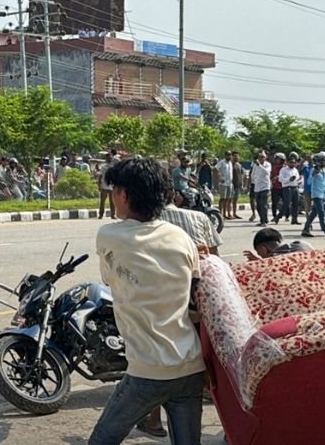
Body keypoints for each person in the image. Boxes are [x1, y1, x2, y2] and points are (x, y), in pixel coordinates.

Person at [92, 159, 206, 445]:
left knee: (101, 441)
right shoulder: (181, 238)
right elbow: (193, 287)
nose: (113, 195)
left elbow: (109, 280)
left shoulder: (110, 235)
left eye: (115, 189)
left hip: (148, 371)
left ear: (125, 195)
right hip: (190, 365)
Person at [137, 189, 223, 437]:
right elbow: (215, 260)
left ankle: (154, 420)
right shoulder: (200, 218)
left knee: (162, 362)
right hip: (202, 299)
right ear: (174, 196)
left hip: (166, 303)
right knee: (205, 364)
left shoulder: (146, 224)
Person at [302, 155, 325, 239]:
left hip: (322, 194)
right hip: (316, 195)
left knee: (313, 213)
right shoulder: (313, 169)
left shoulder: (323, 170)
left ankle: (306, 229)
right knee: (321, 213)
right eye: (324, 161)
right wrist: (313, 175)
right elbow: (308, 182)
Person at [243, 227, 313, 261]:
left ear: (263, 249)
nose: (260, 256)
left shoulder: (278, 259)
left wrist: (259, 261)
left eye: (259, 253)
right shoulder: (304, 244)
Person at [250, 152, 273, 226]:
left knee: (263, 204)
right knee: (258, 205)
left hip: (265, 186)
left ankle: (265, 220)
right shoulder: (255, 165)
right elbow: (253, 174)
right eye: (260, 157)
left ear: (265, 158)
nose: (261, 158)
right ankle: (261, 220)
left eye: (263, 157)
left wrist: (259, 165)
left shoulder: (268, 165)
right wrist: (253, 182)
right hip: (257, 187)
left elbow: (266, 172)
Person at [279, 154, 302, 225]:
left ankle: (294, 219)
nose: (292, 164)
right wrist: (289, 179)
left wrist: (299, 181)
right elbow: (280, 179)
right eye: (291, 162)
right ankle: (279, 216)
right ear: (288, 162)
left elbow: (297, 178)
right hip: (287, 188)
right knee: (287, 203)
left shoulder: (295, 170)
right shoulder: (283, 169)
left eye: (294, 162)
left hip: (295, 187)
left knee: (296, 204)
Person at [215, 151, 236, 221]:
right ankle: (220, 214)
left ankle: (225, 214)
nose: (229, 156)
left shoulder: (230, 162)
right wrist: (219, 179)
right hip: (223, 184)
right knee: (222, 199)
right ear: (225, 155)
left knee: (228, 199)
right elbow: (215, 169)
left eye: (230, 155)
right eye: (228, 155)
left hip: (229, 183)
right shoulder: (221, 162)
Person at [97, 151, 116, 219]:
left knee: (112, 201)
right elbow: (100, 176)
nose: (110, 159)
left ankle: (113, 214)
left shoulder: (114, 166)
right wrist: (99, 185)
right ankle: (101, 214)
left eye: (111, 158)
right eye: (108, 158)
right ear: (106, 158)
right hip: (104, 185)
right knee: (102, 202)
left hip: (111, 186)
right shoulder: (103, 166)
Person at [270, 152, 285, 222]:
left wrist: (279, 177)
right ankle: (274, 216)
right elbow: (271, 176)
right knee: (274, 203)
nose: (277, 160)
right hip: (275, 187)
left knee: (286, 203)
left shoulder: (285, 168)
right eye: (276, 159)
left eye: (278, 159)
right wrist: (272, 179)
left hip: (284, 187)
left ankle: (285, 215)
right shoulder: (274, 167)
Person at [230, 152, 246, 220]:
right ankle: (229, 214)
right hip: (231, 185)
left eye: (237, 156)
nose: (236, 158)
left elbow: (242, 175)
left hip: (238, 185)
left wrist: (242, 184)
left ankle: (234, 213)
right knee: (230, 200)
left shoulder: (239, 165)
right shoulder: (230, 165)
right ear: (232, 157)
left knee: (235, 200)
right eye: (235, 156)